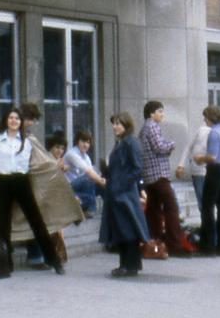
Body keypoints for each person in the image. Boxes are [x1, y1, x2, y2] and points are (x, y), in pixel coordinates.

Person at [0, 106, 64, 275]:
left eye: (17, 118)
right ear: (6, 120)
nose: (14, 121)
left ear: (21, 122)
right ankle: (5, 263)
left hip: (22, 181)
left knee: (36, 221)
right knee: (3, 224)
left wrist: (54, 165)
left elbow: (40, 161)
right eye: (11, 118)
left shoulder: (28, 141)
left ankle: (54, 260)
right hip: (3, 181)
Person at [99, 112, 148, 277]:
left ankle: (129, 265)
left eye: (118, 123)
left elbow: (137, 168)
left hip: (124, 194)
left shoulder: (130, 142)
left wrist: (120, 184)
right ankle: (127, 264)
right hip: (117, 191)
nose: (115, 126)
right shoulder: (122, 143)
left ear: (126, 125)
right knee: (122, 229)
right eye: (114, 123)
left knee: (127, 229)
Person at [138, 100, 190, 255]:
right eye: (160, 111)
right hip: (158, 173)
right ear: (151, 113)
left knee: (153, 209)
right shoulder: (152, 126)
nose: (162, 114)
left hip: (149, 175)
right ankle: (175, 244)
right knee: (171, 207)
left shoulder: (144, 128)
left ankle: (156, 240)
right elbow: (159, 147)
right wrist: (171, 145)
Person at [196, 105, 220, 256]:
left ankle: (208, 245)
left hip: (214, 170)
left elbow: (212, 156)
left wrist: (199, 158)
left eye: (205, 117)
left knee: (207, 207)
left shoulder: (214, 133)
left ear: (211, 117)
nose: (204, 120)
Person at [18, 102, 48, 267]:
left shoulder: (25, 135)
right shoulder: (21, 135)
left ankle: (37, 255)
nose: (32, 123)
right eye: (31, 119)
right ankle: (36, 256)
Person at [64, 130, 104, 217]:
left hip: (82, 188)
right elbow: (88, 171)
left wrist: (103, 181)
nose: (85, 145)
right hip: (69, 187)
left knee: (98, 183)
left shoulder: (86, 157)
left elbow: (93, 173)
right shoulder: (72, 154)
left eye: (88, 142)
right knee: (90, 177)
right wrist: (102, 181)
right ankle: (90, 209)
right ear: (77, 141)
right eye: (83, 141)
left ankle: (111, 207)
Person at [177, 113, 211, 206]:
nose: (204, 120)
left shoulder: (218, 132)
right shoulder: (201, 130)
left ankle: (209, 219)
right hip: (198, 170)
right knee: (201, 199)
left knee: (208, 200)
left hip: (211, 170)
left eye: (206, 118)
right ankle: (206, 219)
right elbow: (188, 147)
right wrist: (181, 165)